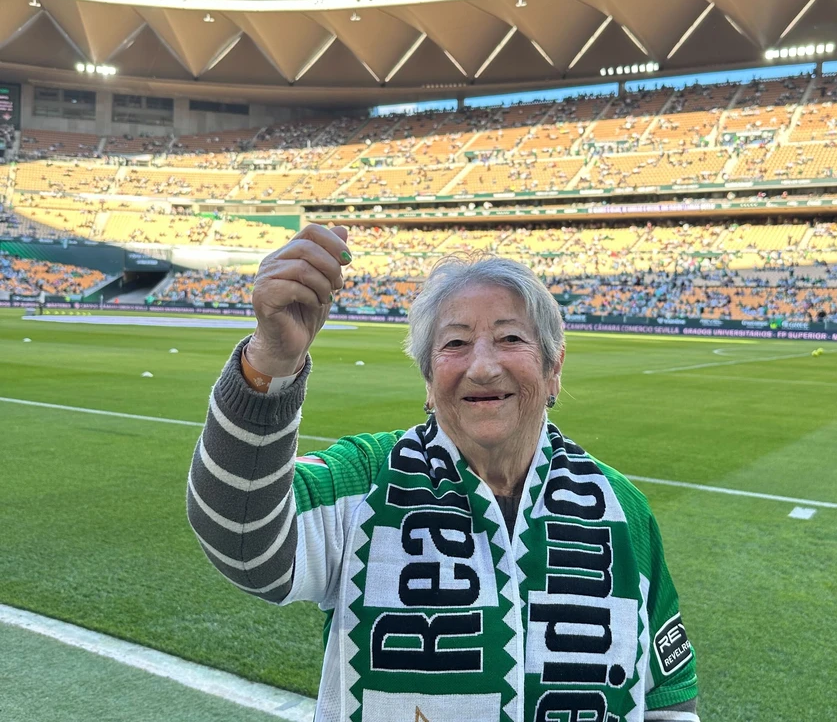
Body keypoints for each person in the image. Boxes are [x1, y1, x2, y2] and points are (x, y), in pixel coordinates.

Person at [187, 224, 699, 722]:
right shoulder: (368, 479)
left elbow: (667, 699)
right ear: (429, 383)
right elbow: (244, 538)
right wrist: (272, 359)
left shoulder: (620, 507)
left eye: (510, 338)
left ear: (553, 369)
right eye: (454, 344)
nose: (482, 366)